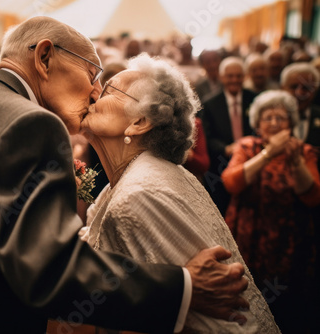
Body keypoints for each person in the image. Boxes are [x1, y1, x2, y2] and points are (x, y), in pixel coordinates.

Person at [0, 17, 248, 334]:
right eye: (93, 74)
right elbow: (47, 270)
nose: (94, 91)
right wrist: (182, 286)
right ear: (45, 57)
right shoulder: (30, 123)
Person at [79, 54, 279, 334]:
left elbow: (219, 324)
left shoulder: (139, 195)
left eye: (110, 89)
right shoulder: (133, 179)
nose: (94, 94)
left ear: (138, 122)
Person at [221, 90, 320, 333]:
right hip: (250, 236)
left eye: (281, 118)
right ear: (257, 123)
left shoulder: (304, 151)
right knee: (249, 303)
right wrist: (268, 154)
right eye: (268, 118)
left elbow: (312, 197)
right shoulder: (247, 147)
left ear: (292, 123)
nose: (274, 123)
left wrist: (295, 161)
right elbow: (231, 182)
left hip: (290, 240)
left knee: (289, 307)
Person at [202, 57, 256, 216]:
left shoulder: (254, 99)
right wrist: (226, 149)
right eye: (230, 76)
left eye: (238, 76)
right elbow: (206, 136)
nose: (234, 80)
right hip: (220, 166)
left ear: (244, 77)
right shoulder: (210, 103)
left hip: (251, 163)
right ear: (222, 77)